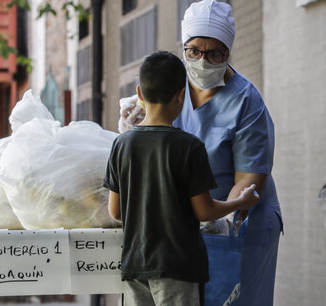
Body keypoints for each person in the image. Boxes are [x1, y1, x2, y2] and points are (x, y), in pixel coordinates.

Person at [103, 51, 259, 306]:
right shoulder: (189, 147)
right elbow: (205, 211)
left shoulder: (121, 145)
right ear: (181, 95)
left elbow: (115, 211)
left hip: (135, 266)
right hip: (178, 268)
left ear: (140, 93)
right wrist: (239, 202)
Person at [173, 0, 283, 306]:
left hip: (239, 224)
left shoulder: (247, 101)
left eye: (215, 53)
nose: (203, 61)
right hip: (188, 223)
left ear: (228, 53)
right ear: (184, 47)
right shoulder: (172, 85)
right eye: (194, 51)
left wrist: (213, 219)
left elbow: (249, 179)